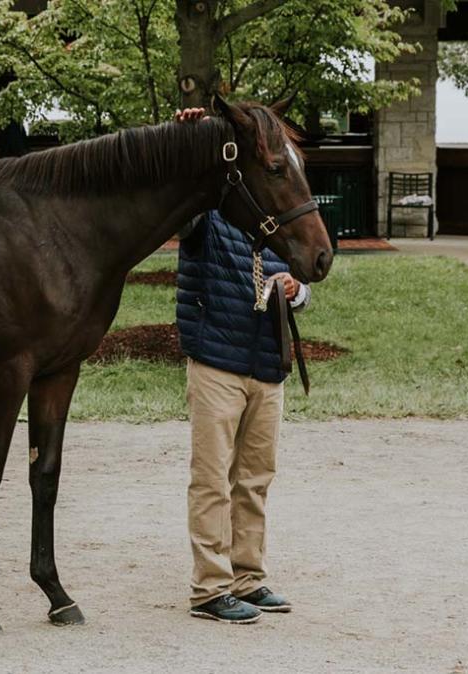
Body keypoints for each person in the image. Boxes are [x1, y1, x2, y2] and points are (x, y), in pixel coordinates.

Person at [174, 107, 311, 625]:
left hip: (266, 364)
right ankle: (210, 588)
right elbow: (180, 196)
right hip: (216, 363)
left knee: (254, 479)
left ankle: (248, 577)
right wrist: (190, 134)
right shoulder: (205, 212)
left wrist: (297, 293)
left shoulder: (273, 223)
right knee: (211, 478)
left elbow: (302, 287)